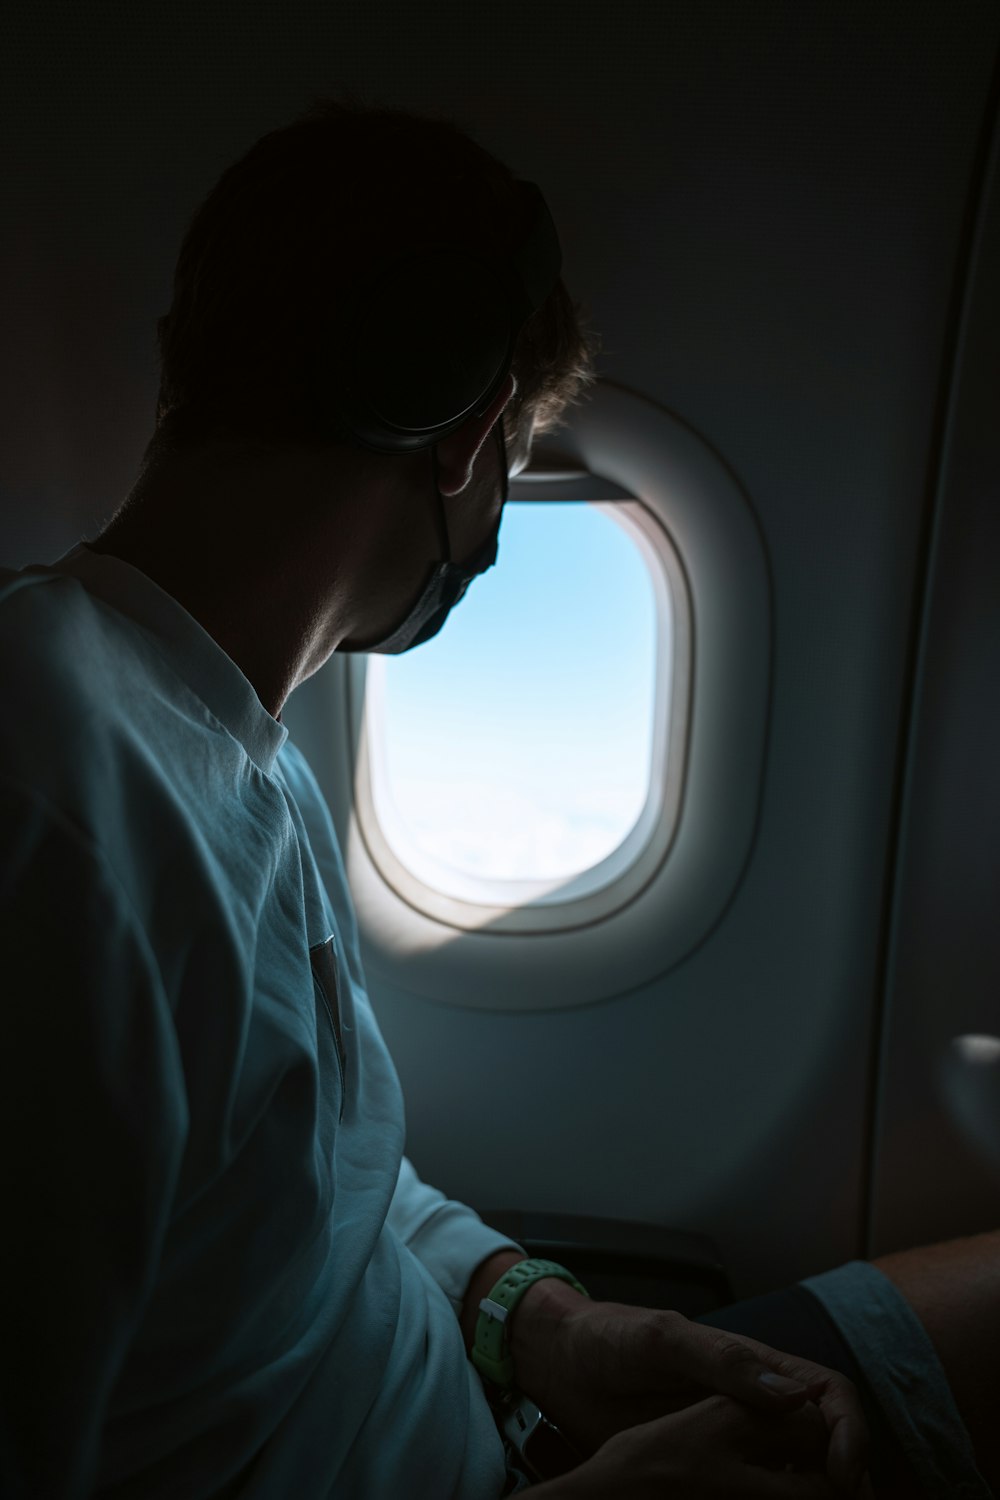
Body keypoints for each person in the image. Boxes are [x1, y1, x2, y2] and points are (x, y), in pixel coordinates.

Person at [0, 96, 996, 1500]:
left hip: (509, 1417)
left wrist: (549, 1325)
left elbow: (331, 1202)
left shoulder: (244, 755)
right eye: (524, 459)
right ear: (465, 440)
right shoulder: (55, 793)